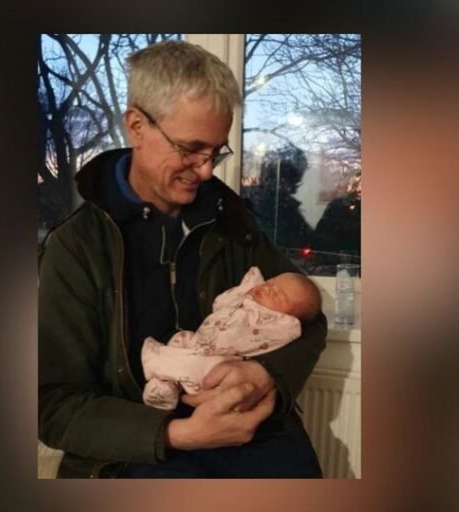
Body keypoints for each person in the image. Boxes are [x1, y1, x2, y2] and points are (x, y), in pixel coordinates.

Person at [38, 40, 328, 478]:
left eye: (216, 151)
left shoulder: (232, 223)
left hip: (257, 438)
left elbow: (306, 313)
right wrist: (177, 434)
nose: (208, 170)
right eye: (192, 149)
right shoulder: (75, 247)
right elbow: (52, 405)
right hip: (136, 455)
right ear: (137, 125)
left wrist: (268, 377)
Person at [142, 266, 322, 411]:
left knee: (197, 364)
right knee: (181, 338)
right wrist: (246, 290)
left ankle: (155, 361)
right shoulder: (246, 299)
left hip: (218, 360)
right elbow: (219, 303)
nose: (267, 288)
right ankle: (164, 386)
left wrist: (266, 371)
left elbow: (309, 326)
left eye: (277, 295)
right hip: (200, 341)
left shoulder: (276, 324)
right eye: (270, 281)